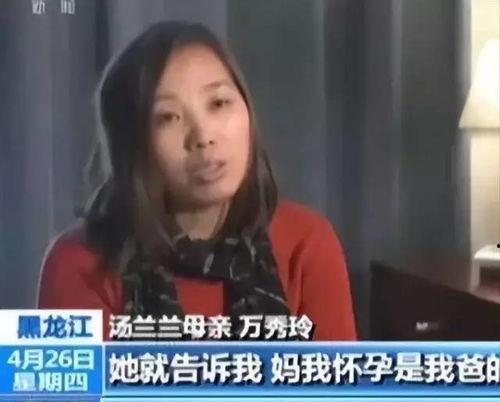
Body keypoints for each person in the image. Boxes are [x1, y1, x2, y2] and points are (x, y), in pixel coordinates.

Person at [37, 21, 357, 341]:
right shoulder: (79, 263)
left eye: (218, 103)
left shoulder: (305, 241)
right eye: (168, 117)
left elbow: (333, 373)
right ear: (131, 145)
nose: (203, 137)